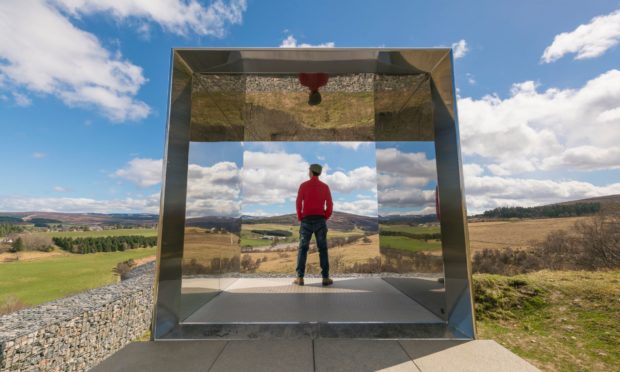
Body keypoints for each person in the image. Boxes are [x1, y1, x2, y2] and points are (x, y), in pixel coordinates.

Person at [293, 163, 333, 286]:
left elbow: (299, 203)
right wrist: (325, 216)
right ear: (319, 173)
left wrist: (300, 217)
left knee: (303, 249)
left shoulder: (303, 186)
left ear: (311, 172)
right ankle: (325, 278)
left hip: (306, 221)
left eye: (308, 170)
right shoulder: (325, 187)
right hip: (320, 220)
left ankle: (300, 278)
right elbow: (330, 205)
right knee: (323, 249)